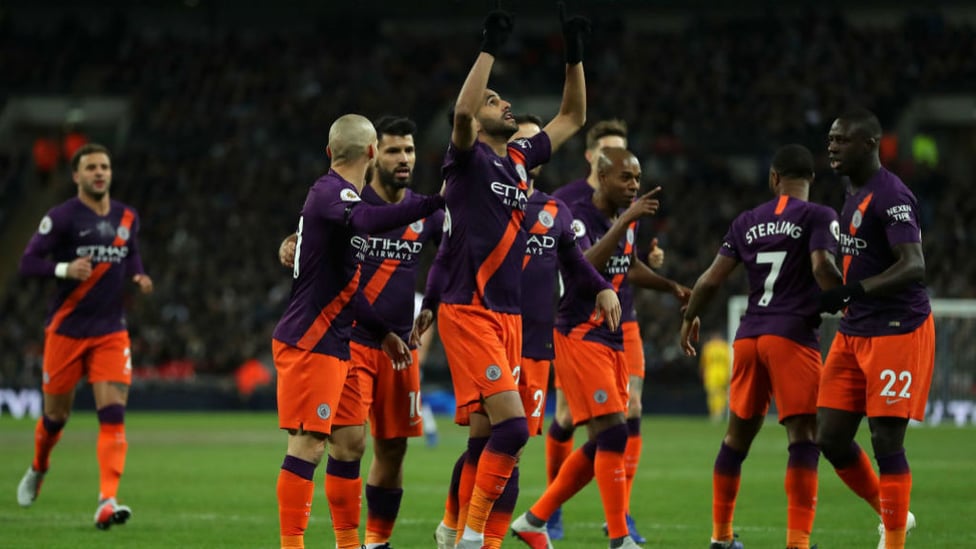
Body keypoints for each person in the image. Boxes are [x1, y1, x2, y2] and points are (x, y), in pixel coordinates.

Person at [413, 5, 593, 548]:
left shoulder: (517, 160)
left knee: (486, 438)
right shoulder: (465, 160)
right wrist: (488, 47)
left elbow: (572, 117)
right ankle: (472, 537)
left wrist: (573, 50)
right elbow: (464, 113)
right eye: (497, 99)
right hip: (469, 310)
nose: (505, 102)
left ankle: (451, 531)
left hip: (507, 314)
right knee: (514, 430)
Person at [422, 114, 620, 549]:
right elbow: (439, 242)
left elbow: (576, 265)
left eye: (532, 142)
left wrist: (603, 288)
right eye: (519, 140)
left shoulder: (553, 211)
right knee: (489, 441)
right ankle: (459, 528)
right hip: (484, 325)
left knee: (505, 449)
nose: (523, 148)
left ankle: (467, 534)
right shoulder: (479, 199)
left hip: (532, 342)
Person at [271, 113, 445, 549]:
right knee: (316, 445)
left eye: (409, 149)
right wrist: (436, 200)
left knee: (373, 450)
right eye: (392, 149)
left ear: (331, 152)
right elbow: (361, 222)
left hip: (359, 338)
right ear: (372, 153)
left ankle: (359, 544)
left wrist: (389, 329)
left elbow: (346, 285)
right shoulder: (341, 198)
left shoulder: (340, 199)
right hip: (321, 339)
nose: (403, 158)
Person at [512, 147, 689, 549]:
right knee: (613, 434)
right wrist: (625, 220)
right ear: (602, 176)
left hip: (612, 336)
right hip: (578, 333)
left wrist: (670, 285)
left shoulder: (624, 221)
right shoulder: (577, 216)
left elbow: (626, 265)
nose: (634, 186)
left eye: (637, 179)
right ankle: (619, 538)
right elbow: (583, 266)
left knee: (604, 440)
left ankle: (534, 519)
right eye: (626, 178)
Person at [679, 144, 843, 549]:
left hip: (749, 336)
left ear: (774, 179)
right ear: (811, 180)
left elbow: (711, 280)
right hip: (791, 336)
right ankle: (797, 543)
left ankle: (719, 536)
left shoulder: (747, 221)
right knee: (803, 436)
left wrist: (689, 316)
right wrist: (845, 299)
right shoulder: (820, 215)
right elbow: (822, 266)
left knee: (736, 438)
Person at [16, 143, 154, 529]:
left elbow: (131, 254)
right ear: (76, 175)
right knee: (55, 417)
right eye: (91, 167)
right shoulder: (61, 218)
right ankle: (39, 467)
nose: (99, 173)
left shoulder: (127, 216)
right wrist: (62, 269)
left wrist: (138, 274)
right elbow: (27, 262)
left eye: (105, 166)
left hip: (111, 332)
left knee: (113, 415)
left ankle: (106, 501)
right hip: (66, 331)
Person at [818, 108, 932, 549]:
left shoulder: (892, 195)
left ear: (869, 145)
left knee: (886, 440)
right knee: (830, 436)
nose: (831, 147)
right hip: (855, 329)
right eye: (830, 139)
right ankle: (894, 512)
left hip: (897, 328)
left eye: (841, 140)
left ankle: (895, 540)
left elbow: (914, 266)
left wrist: (854, 291)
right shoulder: (852, 191)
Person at [548, 118, 662, 543]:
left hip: (623, 320)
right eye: (609, 154)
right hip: (581, 323)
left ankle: (621, 516)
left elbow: (628, 258)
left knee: (630, 410)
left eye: (625, 155)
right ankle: (551, 511)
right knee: (566, 416)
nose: (624, 172)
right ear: (591, 157)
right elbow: (578, 266)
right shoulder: (567, 202)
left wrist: (658, 264)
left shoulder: (626, 198)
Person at [700, 332, 732, 423]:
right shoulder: (725, 347)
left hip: (711, 373)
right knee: (722, 393)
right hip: (723, 373)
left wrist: (702, 373)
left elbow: (703, 363)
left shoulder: (708, 347)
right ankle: (720, 411)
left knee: (712, 394)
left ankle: (715, 413)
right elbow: (729, 361)